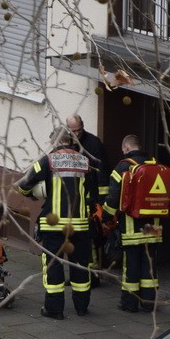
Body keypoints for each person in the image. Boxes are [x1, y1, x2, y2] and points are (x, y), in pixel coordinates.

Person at [16, 126, 97, 319]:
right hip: (80, 225)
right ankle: (81, 307)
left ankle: (54, 309)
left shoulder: (49, 160)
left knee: (53, 265)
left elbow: (25, 183)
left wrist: (33, 194)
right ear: (71, 141)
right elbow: (94, 193)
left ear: (54, 142)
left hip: (53, 226)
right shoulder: (86, 162)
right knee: (80, 264)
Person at [103, 134, 162, 313]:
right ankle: (149, 303)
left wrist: (106, 216)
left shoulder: (123, 166)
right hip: (153, 225)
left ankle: (129, 304)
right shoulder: (154, 164)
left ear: (127, 148)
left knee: (132, 266)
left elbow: (113, 196)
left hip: (131, 225)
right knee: (149, 265)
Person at [65, 114, 109, 284]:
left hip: (89, 200)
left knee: (88, 239)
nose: (77, 134)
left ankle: (93, 276)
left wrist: (101, 200)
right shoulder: (65, 143)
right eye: (73, 131)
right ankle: (76, 274)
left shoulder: (93, 143)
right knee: (70, 238)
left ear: (83, 126)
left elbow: (102, 171)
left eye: (79, 130)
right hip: (70, 200)